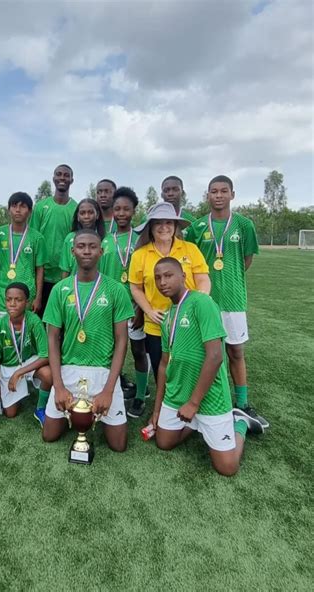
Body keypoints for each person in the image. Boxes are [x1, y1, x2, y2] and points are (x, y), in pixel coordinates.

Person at [149, 258, 263, 476]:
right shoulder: (167, 317)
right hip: (177, 395)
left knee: (227, 467)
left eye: (168, 275)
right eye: (157, 278)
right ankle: (195, 424)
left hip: (209, 397)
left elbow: (215, 356)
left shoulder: (202, 302)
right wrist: (157, 410)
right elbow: (164, 364)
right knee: (163, 442)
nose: (162, 282)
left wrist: (193, 403)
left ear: (183, 276)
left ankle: (239, 423)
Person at [185, 175, 268, 427]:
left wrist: (229, 280)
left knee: (235, 351)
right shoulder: (197, 227)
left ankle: (242, 403)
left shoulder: (244, 225)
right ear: (207, 196)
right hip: (204, 301)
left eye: (223, 191)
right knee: (203, 353)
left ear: (232, 194)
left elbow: (246, 261)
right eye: (214, 191)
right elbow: (189, 261)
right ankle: (201, 399)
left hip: (233, 300)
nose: (218, 195)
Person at [42, 229, 134, 452]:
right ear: (72, 250)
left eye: (92, 247)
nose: (86, 251)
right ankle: (74, 413)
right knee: (49, 436)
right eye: (81, 246)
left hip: (103, 372)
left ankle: (91, 413)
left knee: (118, 445)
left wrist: (109, 390)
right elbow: (52, 339)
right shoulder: (59, 290)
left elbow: (122, 341)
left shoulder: (116, 290)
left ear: (101, 252)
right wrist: (59, 386)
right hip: (69, 370)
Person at [129, 202, 211, 396]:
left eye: (169, 222)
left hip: (189, 322)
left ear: (175, 226)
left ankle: (191, 406)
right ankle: (166, 408)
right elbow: (135, 287)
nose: (164, 227)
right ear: (151, 226)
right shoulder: (140, 254)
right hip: (157, 325)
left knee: (191, 366)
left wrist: (195, 307)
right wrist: (148, 310)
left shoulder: (190, 249)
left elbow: (203, 279)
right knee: (162, 368)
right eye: (158, 223)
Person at [100, 187, 149, 417]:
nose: (121, 213)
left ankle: (140, 395)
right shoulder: (105, 240)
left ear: (133, 211)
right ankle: (113, 386)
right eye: (117, 208)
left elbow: (147, 275)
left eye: (126, 209)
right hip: (109, 307)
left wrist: (141, 308)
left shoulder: (141, 240)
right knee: (110, 350)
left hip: (135, 306)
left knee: (139, 351)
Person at [0, 283, 52, 426]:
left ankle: (40, 408)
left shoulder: (34, 321)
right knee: (10, 414)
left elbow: (45, 355)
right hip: (8, 365)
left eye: (18, 300)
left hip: (29, 361)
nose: (12, 304)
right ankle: (16, 393)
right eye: (8, 299)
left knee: (48, 374)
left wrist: (19, 373)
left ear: (27, 303)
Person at [0, 192, 47, 316]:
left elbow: (40, 269)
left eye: (23, 206)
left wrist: (38, 298)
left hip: (27, 295)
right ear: (9, 210)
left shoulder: (37, 238)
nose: (18, 210)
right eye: (14, 206)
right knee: (3, 331)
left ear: (30, 212)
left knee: (23, 331)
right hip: (2, 294)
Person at [29, 165, 78, 315]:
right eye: (59, 174)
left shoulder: (76, 209)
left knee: (61, 320)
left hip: (65, 276)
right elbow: (33, 239)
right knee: (39, 319)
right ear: (53, 178)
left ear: (72, 180)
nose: (62, 178)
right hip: (41, 276)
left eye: (66, 175)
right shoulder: (40, 207)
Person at [60, 198, 106, 278]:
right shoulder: (70, 238)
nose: (86, 216)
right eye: (82, 213)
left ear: (97, 215)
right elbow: (65, 270)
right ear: (77, 216)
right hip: (74, 288)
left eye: (90, 212)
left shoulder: (106, 239)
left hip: (101, 288)